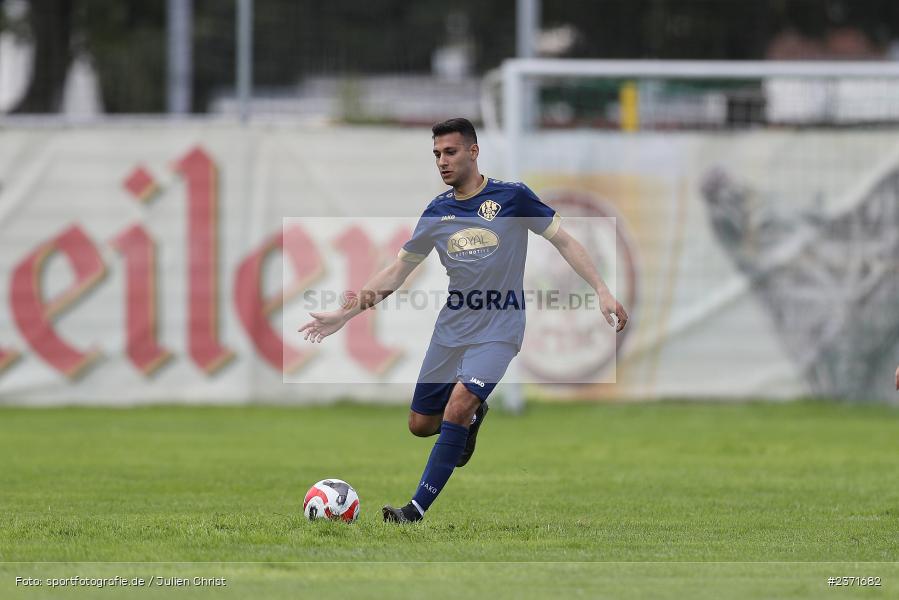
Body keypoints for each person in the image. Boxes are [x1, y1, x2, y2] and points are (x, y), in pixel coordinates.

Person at [299, 117, 628, 523]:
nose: (442, 161)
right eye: (436, 154)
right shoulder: (437, 212)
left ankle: (413, 511)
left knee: (457, 406)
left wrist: (601, 289)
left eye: (450, 152)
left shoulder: (513, 198)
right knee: (420, 424)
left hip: (500, 326)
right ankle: (471, 419)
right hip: (452, 328)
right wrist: (343, 314)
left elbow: (563, 240)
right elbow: (396, 272)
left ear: (473, 151)